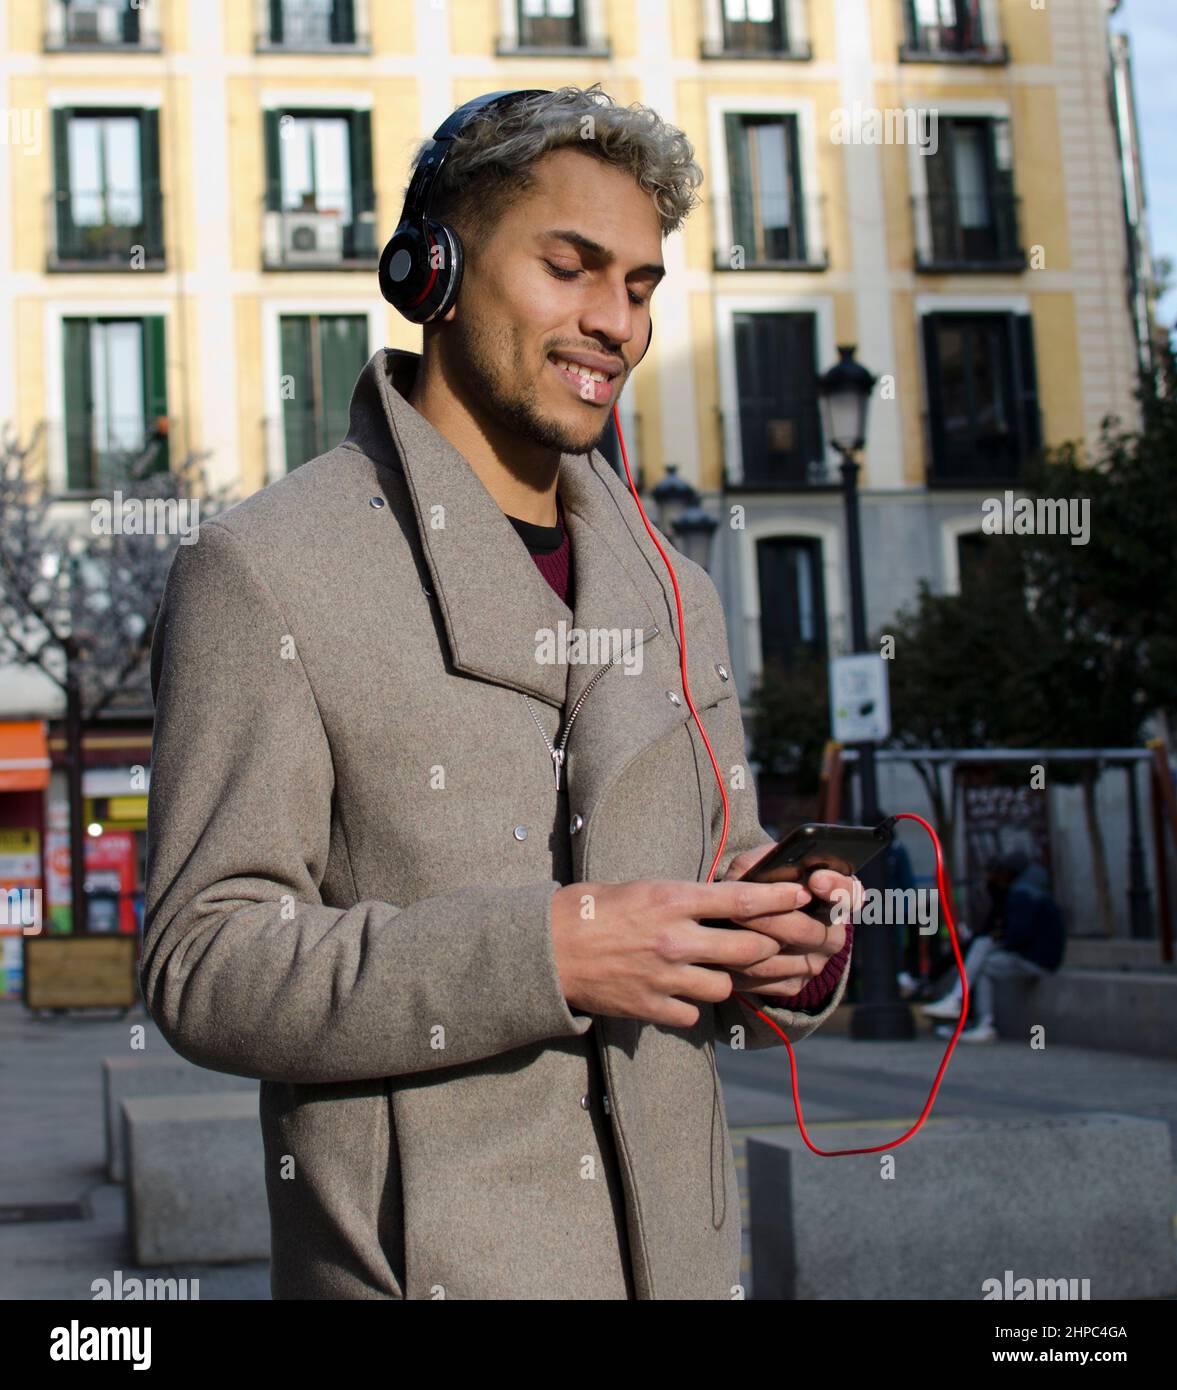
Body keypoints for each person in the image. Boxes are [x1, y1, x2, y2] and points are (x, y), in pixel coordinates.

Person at [142, 85, 858, 1301]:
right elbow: (205, 964)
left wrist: (782, 949)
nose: (614, 323)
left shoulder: (677, 589)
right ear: (433, 273)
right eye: (570, 268)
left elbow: (715, 888)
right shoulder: (265, 567)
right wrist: (551, 952)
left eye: (638, 286)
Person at [921, 849, 1066, 1043]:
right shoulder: (1032, 888)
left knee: (982, 954)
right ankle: (964, 1008)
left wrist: (997, 939)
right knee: (981, 952)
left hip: (1035, 959)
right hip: (1041, 956)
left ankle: (968, 1010)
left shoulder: (1021, 894)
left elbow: (1016, 935)